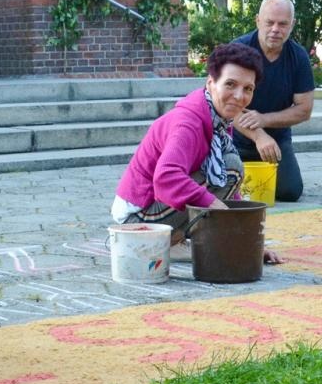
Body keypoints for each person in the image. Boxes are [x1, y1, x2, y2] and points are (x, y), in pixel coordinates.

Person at [113, 42, 282, 263]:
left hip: (158, 210)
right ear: (210, 83)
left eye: (248, 89)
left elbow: (229, 191)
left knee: (231, 169)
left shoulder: (218, 119)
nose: (239, 96)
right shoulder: (189, 123)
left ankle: (176, 239)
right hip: (136, 221)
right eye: (230, 84)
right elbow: (166, 177)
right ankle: (169, 242)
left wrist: (248, 243)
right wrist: (213, 204)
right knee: (231, 167)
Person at [232, 0, 315, 202]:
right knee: (221, 188)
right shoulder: (238, 51)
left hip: (277, 141)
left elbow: (304, 109)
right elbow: (223, 105)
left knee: (290, 191)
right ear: (258, 21)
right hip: (234, 138)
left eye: (283, 24)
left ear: (292, 25)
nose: (275, 29)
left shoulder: (298, 57)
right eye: (269, 22)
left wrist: (264, 120)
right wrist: (258, 134)